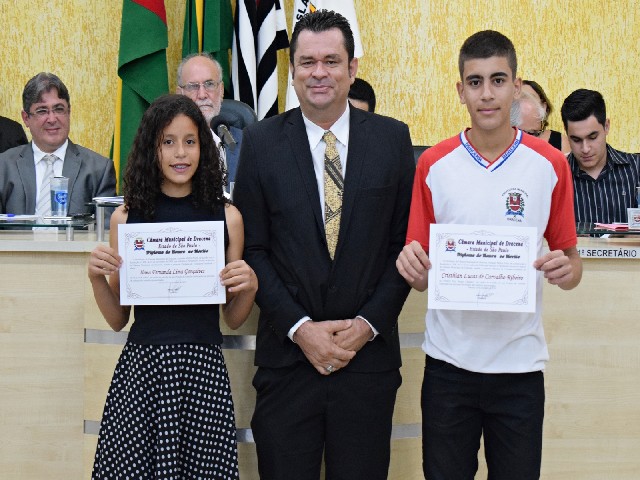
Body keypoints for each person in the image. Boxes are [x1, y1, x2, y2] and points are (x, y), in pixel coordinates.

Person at [233, 9, 415, 480]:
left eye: (331, 61)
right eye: (307, 62)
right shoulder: (260, 142)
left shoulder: (393, 140)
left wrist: (366, 326)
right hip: (288, 361)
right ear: (292, 71)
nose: (319, 73)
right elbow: (253, 250)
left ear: (352, 69)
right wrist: (301, 329)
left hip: (367, 363)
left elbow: (404, 246)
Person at [396, 30, 582, 479]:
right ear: (460, 90)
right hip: (449, 367)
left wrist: (565, 270)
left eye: (498, 80)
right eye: (475, 82)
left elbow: (573, 265)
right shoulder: (433, 164)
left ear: (517, 88)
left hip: (520, 368)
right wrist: (412, 267)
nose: (486, 94)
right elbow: (420, 273)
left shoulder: (551, 164)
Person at [88, 94, 257, 479]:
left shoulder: (227, 216)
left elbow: (232, 319)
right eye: (168, 141)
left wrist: (249, 286)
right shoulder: (125, 218)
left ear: (204, 147)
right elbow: (118, 319)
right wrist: (96, 278)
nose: (180, 153)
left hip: (203, 373)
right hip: (143, 371)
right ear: (152, 148)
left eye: (190, 141)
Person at [0, 72, 116, 215]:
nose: (52, 119)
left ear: (69, 112)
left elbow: (105, 226)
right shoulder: (3, 167)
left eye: (59, 109)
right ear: (26, 118)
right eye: (42, 111)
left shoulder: (99, 169)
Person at [561, 88, 640, 224]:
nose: (585, 149)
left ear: (606, 126)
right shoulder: (556, 176)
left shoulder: (636, 169)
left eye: (592, 137)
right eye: (576, 140)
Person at [176, 52, 243, 188]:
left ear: (221, 90)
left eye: (209, 84)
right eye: (193, 86)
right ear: (179, 94)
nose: (202, 95)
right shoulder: (166, 146)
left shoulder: (247, 145)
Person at [521, 79, 570, 153]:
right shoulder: (504, 140)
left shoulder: (560, 141)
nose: (523, 103)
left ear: (544, 107)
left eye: (530, 98)